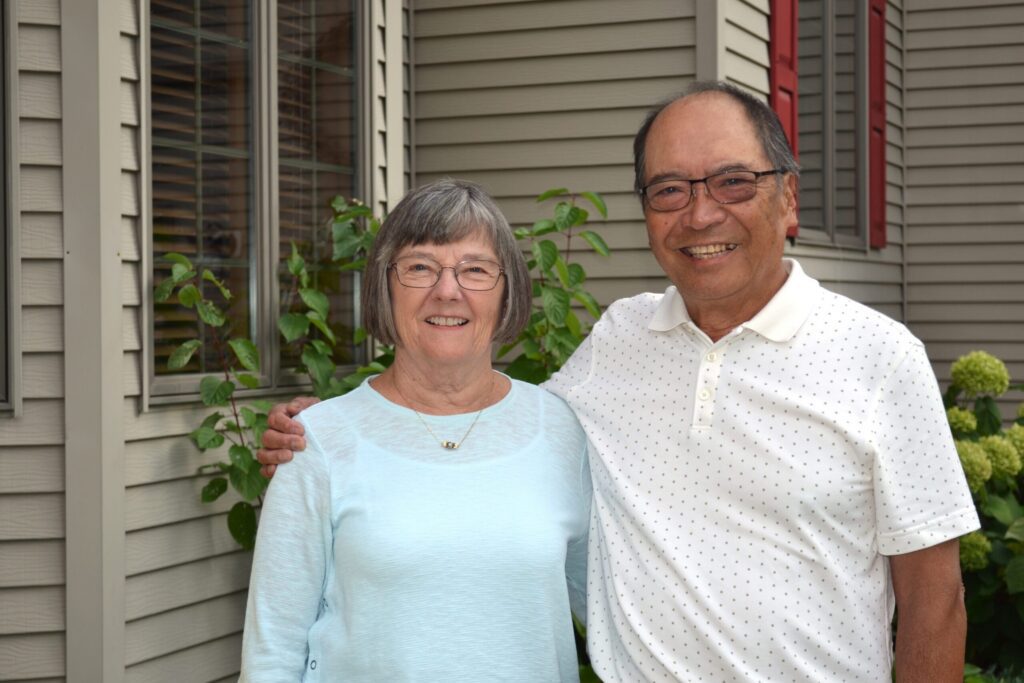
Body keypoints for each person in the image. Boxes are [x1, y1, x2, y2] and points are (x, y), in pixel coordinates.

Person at [258, 82, 979, 682]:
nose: (701, 213)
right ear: (645, 214)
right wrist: (333, 427)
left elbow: (935, 600)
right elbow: (480, 415)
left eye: (733, 181)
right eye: (670, 189)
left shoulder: (880, 358)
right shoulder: (619, 342)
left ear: (787, 198)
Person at [239, 179, 591, 682]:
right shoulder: (317, 440)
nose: (448, 291)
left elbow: (614, 614)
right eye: (420, 267)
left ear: (507, 290)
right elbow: (273, 649)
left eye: (474, 270)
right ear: (385, 286)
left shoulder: (560, 429)